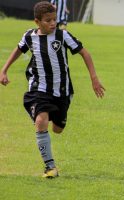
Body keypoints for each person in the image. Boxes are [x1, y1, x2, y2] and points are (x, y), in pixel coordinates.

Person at [0, 1, 105, 178]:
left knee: (58, 129)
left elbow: (85, 53)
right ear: (37, 21)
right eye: (48, 20)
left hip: (62, 91)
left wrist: (94, 78)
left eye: (54, 19)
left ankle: (46, 115)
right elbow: (18, 50)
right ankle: (50, 167)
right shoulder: (29, 36)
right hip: (39, 88)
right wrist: (4, 69)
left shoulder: (62, 36)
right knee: (41, 121)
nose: (52, 23)